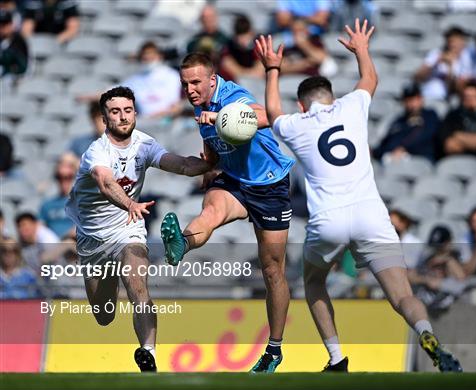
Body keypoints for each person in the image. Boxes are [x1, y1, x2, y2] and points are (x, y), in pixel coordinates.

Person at [254, 19, 462, 372]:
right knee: (403, 295)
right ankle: (428, 335)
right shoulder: (352, 106)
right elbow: (370, 80)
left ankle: (336, 358)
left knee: (314, 281)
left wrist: (272, 69)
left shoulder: (297, 124)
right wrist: (361, 49)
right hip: (370, 216)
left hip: (329, 220)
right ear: (331, 98)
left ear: (303, 106)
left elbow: (273, 112)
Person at [159, 52, 295, 373]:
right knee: (211, 211)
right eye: (185, 84)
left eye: (195, 82)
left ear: (211, 79)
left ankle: (274, 350)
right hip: (233, 178)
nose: (190, 89)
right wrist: (209, 164)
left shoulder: (231, 94)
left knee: (272, 269)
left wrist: (219, 117)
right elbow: (213, 144)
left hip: (269, 184)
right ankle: (181, 243)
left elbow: (267, 116)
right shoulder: (199, 102)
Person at [65, 86, 217, 372]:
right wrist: (129, 203)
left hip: (128, 230)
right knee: (103, 314)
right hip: (93, 239)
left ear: (135, 113)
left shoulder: (144, 144)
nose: (123, 117)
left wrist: (208, 165)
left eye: (127, 110)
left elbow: (181, 164)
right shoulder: (96, 151)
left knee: (138, 287)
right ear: (104, 118)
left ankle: (148, 354)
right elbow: (105, 182)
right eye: (115, 112)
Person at [373, 84, 440, 163]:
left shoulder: (430, 116)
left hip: (421, 158)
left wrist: (404, 148)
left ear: (421, 99)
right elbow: (386, 142)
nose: (411, 104)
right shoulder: (399, 121)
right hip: (394, 158)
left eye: (414, 99)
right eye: (408, 100)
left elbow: (427, 135)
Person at [408, 226, 466, 310]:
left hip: (452, 306)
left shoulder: (456, 257)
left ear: (448, 243)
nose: (437, 249)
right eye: (435, 246)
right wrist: (426, 280)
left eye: (440, 246)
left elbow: (461, 280)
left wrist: (447, 261)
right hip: (426, 303)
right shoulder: (427, 259)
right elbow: (410, 276)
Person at [437, 82, 476, 158]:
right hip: (457, 158)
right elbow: (449, 145)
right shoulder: (452, 116)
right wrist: (471, 142)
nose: (470, 100)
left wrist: (457, 135)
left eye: (473, 96)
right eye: (467, 97)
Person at [414, 26, 469, 101]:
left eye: (454, 41)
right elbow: (417, 77)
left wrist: (450, 66)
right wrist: (435, 63)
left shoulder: (466, 59)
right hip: (426, 96)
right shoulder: (436, 53)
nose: (451, 45)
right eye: (449, 42)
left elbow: (453, 89)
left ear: (462, 42)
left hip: (445, 99)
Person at [39, 153, 78, 238]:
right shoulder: (47, 205)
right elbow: (40, 229)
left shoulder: (83, 202)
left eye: (68, 177)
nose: (63, 181)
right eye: (59, 177)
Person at [219, 14, 264, 82]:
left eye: (245, 37)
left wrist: (243, 73)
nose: (243, 41)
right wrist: (245, 73)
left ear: (251, 33)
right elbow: (226, 63)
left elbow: (260, 72)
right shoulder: (229, 46)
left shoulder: (259, 44)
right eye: (240, 37)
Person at [0, 9, 28, 79]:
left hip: (15, 78)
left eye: (4, 24)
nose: (2, 28)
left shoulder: (18, 40)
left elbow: (23, 66)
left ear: (11, 24)